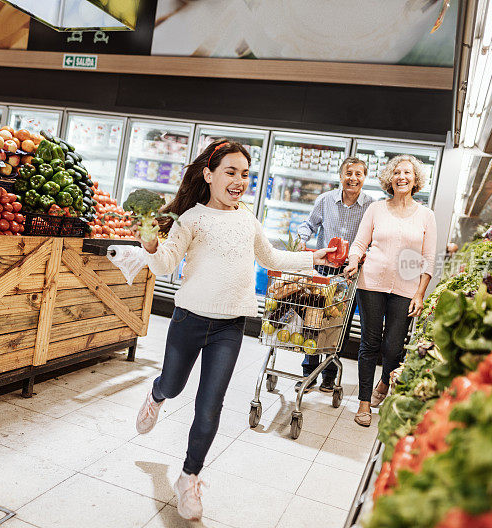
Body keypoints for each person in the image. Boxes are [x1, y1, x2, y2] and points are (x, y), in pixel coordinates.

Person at [132, 140, 334, 521]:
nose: (240, 180)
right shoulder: (191, 218)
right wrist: (150, 246)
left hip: (231, 325)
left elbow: (271, 257)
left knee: (210, 406)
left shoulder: (247, 219)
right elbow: (164, 264)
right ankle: (156, 395)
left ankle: (189, 477)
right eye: (231, 172)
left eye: (245, 173)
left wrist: (313, 258)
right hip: (189, 319)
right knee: (174, 385)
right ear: (208, 175)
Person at [343, 155, 437, 427]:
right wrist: (353, 260)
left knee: (393, 348)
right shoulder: (376, 209)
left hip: (406, 288)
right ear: (390, 179)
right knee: (369, 344)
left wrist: (420, 293)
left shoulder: (426, 215)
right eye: (396, 172)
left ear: (415, 179)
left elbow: (429, 258)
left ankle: (384, 382)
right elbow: (360, 243)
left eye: (407, 172)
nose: (401, 177)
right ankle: (363, 402)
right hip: (371, 282)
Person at [295, 157, 374, 392]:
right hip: (322, 271)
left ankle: (329, 374)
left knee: (339, 325)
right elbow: (308, 224)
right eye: (348, 173)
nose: (353, 178)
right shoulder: (325, 200)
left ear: (364, 177)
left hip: (349, 275)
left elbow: (374, 237)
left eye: (358, 174)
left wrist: (363, 255)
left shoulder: (371, 205)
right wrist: (301, 239)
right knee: (313, 320)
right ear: (341, 177)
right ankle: (308, 374)